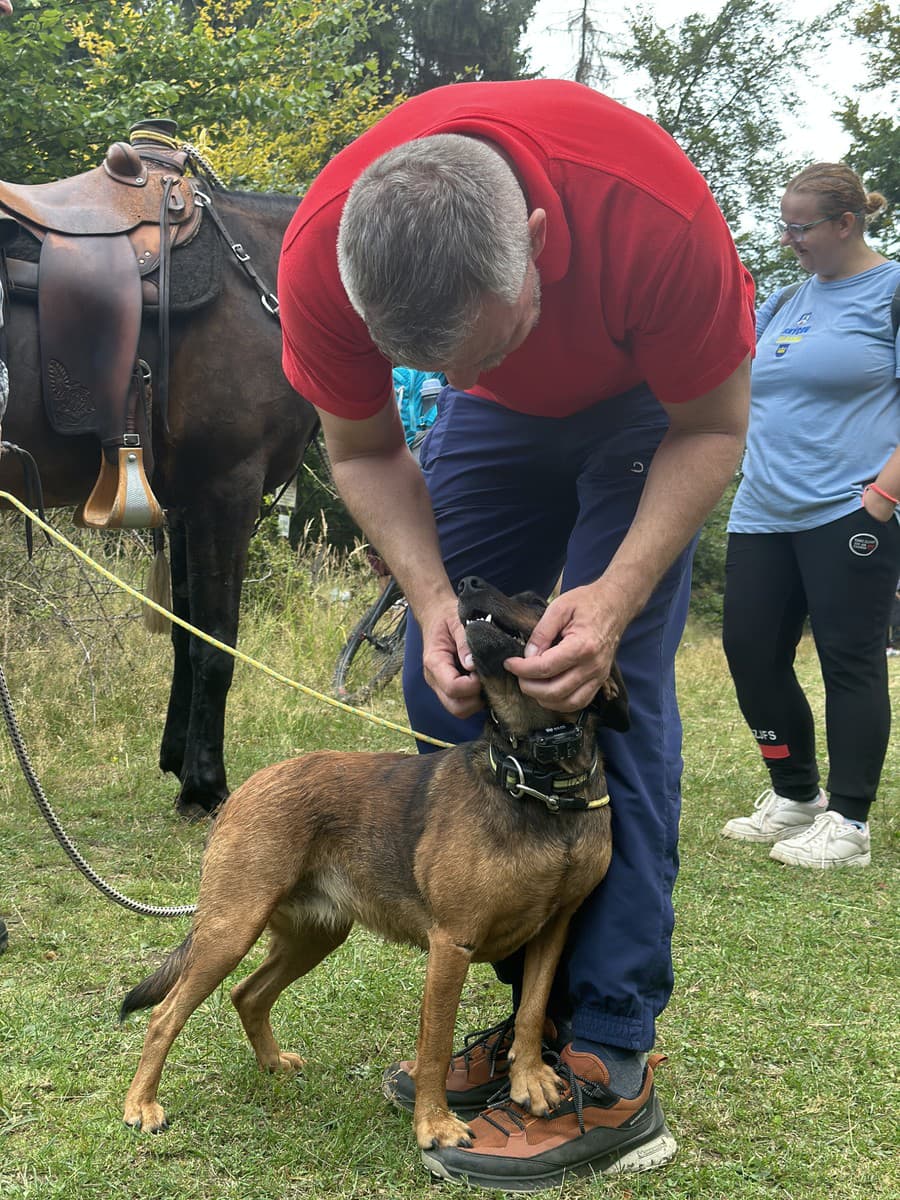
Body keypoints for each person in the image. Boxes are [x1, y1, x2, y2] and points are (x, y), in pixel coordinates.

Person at [278, 79, 754, 1187]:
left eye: (482, 347)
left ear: (539, 243)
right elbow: (363, 452)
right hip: (507, 435)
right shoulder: (321, 261)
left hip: (651, 406)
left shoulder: (653, 217)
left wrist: (618, 594)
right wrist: (435, 597)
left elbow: (714, 423)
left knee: (596, 693)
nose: (458, 383)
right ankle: (526, 1028)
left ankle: (607, 1053)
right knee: (441, 678)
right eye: (428, 368)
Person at [721, 162, 900, 869]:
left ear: (846, 224)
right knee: (750, 652)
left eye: (802, 226)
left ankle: (850, 825)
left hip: (848, 508)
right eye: (784, 224)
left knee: (848, 660)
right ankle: (796, 793)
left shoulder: (889, 291)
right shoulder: (790, 298)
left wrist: (884, 493)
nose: (789, 238)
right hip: (764, 506)